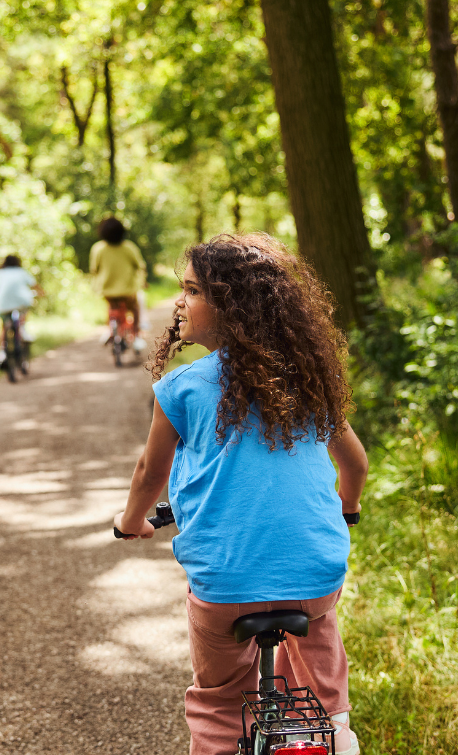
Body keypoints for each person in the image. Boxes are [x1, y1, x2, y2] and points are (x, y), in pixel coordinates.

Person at [113, 233, 368, 755]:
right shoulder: (307, 381)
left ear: (232, 308)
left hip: (225, 583)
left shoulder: (182, 387)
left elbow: (148, 473)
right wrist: (347, 508)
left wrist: (132, 520)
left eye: (192, 291)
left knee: (221, 699)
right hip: (314, 575)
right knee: (318, 653)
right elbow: (355, 464)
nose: (179, 302)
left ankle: (219, 739)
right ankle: (334, 727)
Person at [88, 216, 147, 351]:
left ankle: (110, 330)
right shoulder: (129, 247)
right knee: (134, 308)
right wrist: (143, 281)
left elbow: (94, 269)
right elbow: (140, 266)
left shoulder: (98, 248)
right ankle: (136, 335)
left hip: (107, 290)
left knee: (111, 308)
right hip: (128, 291)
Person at [0, 254, 38, 366]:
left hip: (3, 303)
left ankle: (1, 353)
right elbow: (34, 285)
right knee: (24, 311)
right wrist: (41, 293)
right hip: (20, 302)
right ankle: (23, 330)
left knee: (3, 327)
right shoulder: (22, 272)